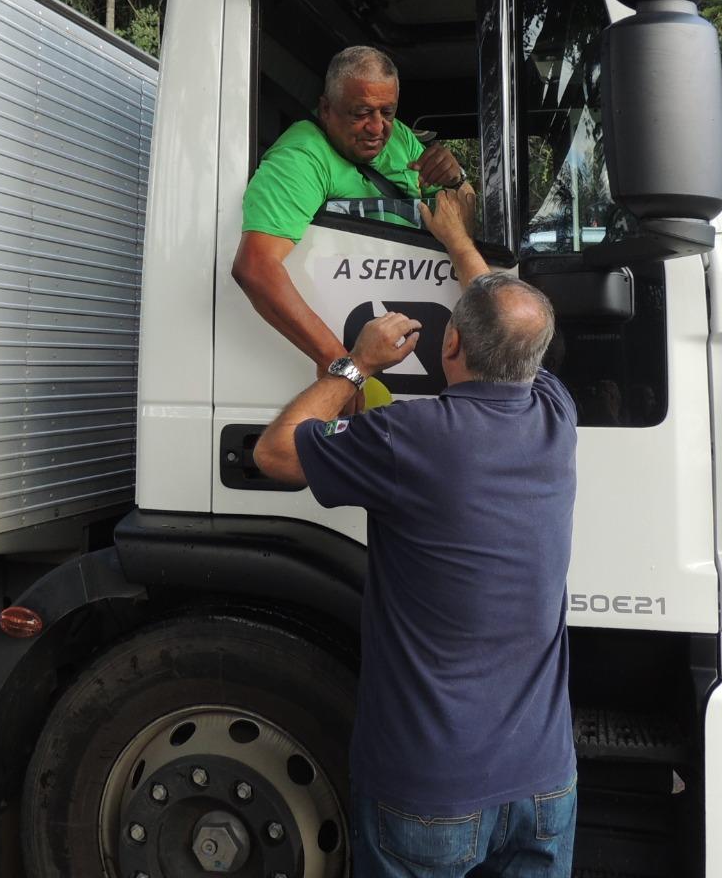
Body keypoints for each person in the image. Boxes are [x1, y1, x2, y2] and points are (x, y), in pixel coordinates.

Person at [252, 185, 579, 878]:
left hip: (431, 790)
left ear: (449, 341)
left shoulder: (410, 434)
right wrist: (458, 240)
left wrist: (358, 363)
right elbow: (500, 310)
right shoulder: (556, 414)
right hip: (547, 785)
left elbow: (275, 453)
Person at [232, 45, 467, 381]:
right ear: (326, 109)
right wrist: (340, 364)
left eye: (387, 112)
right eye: (361, 113)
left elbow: (461, 220)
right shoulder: (300, 159)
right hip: (350, 345)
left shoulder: (399, 137)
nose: (377, 128)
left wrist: (456, 179)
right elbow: (255, 267)